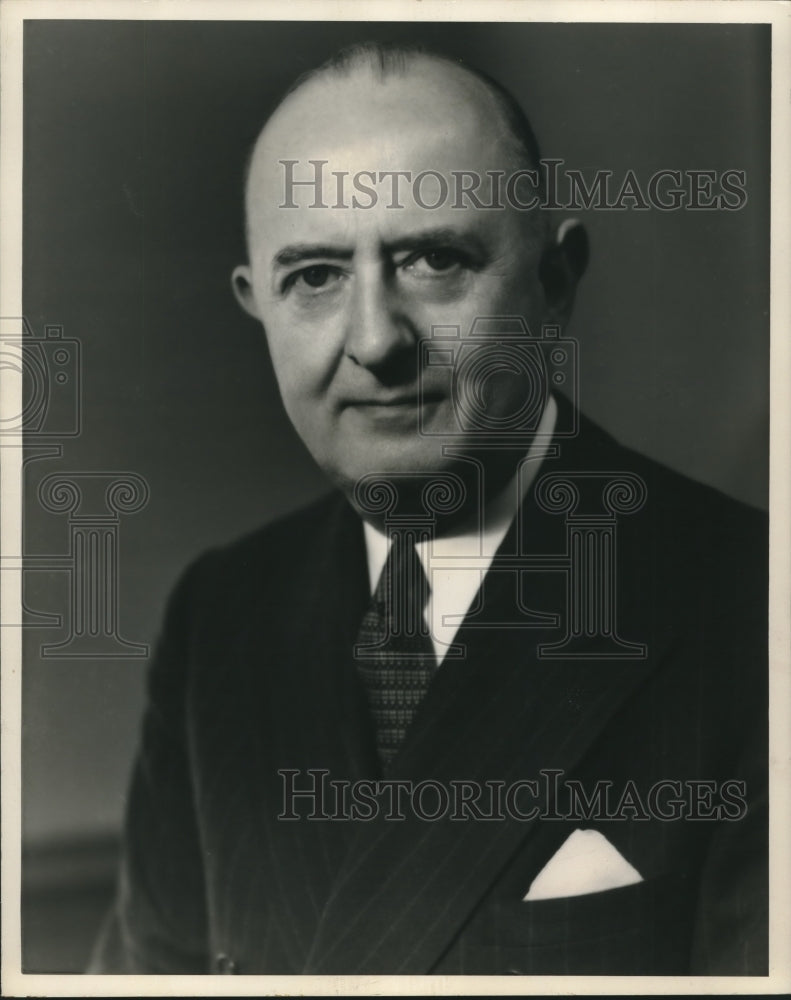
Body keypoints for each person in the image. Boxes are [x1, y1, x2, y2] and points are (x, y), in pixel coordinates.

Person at [89, 42, 767, 976]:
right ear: (257, 306)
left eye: (434, 260)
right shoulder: (221, 615)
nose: (374, 340)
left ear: (553, 284)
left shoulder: (750, 607)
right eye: (315, 278)